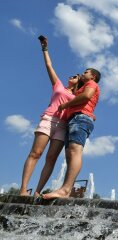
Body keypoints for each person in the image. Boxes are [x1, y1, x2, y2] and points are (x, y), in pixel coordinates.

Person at [20, 36, 81, 196]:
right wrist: (45, 48)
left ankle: (38, 191)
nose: (72, 76)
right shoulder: (59, 85)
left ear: (79, 82)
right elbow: (49, 65)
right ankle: (23, 189)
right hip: (49, 119)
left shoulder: (78, 97)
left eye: (76, 76)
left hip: (63, 126)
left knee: (51, 159)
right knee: (36, 153)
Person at [42, 64, 101, 199]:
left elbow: (86, 96)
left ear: (93, 76)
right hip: (76, 119)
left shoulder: (91, 83)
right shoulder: (83, 86)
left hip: (80, 118)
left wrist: (66, 105)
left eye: (86, 72)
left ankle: (65, 190)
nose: (83, 73)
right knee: (70, 154)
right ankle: (66, 189)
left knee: (74, 151)